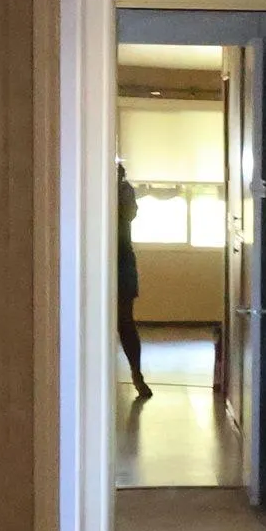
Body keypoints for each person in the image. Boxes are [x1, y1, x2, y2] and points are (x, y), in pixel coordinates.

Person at [116, 162, 153, 399]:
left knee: (125, 323)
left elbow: (129, 213)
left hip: (121, 263)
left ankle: (137, 375)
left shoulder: (125, 190)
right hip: (96, 260)